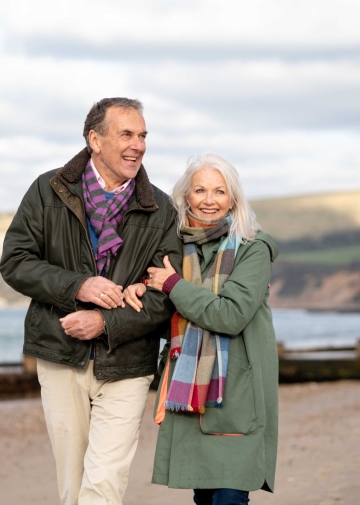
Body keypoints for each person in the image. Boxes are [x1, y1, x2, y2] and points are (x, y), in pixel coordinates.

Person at [0, 97, 182, 505]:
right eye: (127, 134)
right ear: (94, 140)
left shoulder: (162, 209)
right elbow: (15, 262)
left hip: (128, 362)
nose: (138, 145)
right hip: (60, 353)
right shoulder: (47, 191)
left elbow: (167, 293)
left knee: (104, 482)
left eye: (143, 135)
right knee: (73, 483)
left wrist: (106, 323)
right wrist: (77, 286)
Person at [123, 153, 279, 505]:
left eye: (220, 191)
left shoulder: (254, 249)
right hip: (193, 395)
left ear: (233, 199)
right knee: (206, 498)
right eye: (200, 190)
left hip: (235, 391)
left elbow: (230, 314)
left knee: (228, 496)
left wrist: (173, 285)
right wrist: (142, 289)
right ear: (186, 197)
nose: (210, 200)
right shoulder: (177, 250)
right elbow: (170, 318)